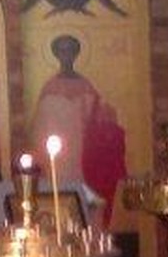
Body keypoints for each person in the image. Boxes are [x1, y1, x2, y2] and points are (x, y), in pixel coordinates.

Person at [28, 34, 126, 212]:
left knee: (83, 198)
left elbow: (99, 120)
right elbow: (39, 128)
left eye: (70, 51)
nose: (66, 55)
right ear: (57, 55)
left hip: (82, 153)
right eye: (62, 51)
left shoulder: (86, 86)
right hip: (56, 157)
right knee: (58, 195)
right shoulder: (49, 87)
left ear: (76, 54)